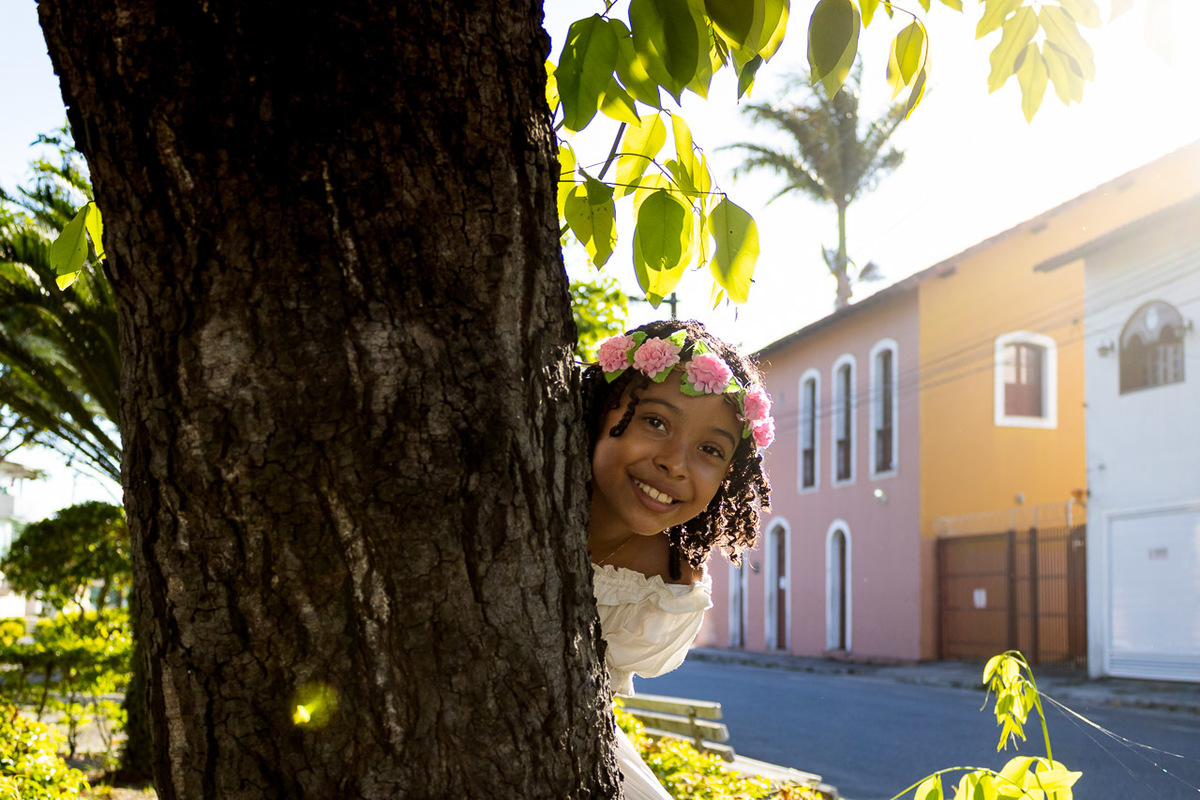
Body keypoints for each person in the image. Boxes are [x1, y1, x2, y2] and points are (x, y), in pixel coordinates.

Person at [581, 319, 774, 799]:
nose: (676, 463)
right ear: (604, 410)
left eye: (709, 449)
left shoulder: (666, 581)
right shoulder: (512, 503)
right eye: (656, 422)